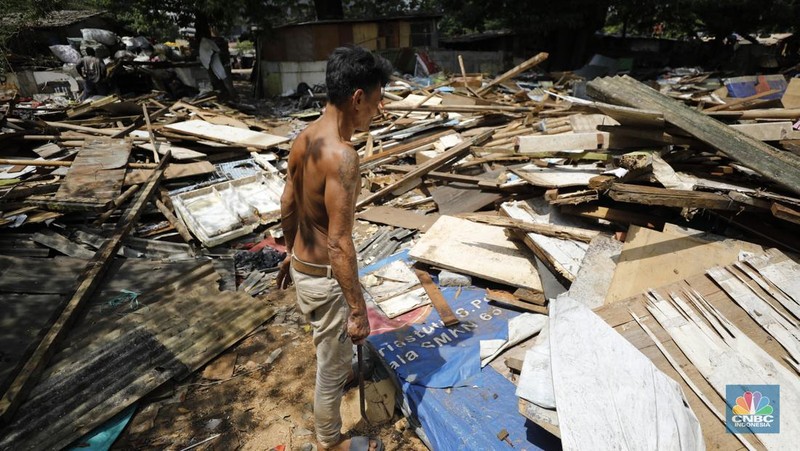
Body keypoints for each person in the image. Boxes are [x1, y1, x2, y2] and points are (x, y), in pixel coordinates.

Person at [277, 46, 391, 451]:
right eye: (376, 102)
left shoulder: (303, 139)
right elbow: (340, 243)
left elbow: (288, 204)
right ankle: (330, 442)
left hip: (303, 268)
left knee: (329, 349)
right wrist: (358, 311)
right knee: (330, 367)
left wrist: (290, 252)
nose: (377, 112)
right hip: (325, 281)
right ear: (357, 97)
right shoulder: (343, 157)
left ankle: (343, 369)